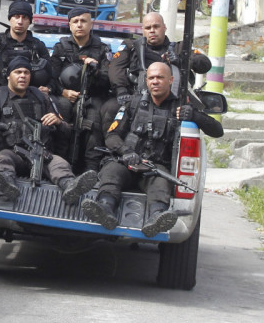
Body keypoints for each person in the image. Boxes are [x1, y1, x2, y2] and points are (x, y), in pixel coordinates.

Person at [81, 61, 223, 235]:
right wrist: (126, 152)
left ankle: (156, 219)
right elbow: (112, 135)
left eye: (160, 77)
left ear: (170, 80)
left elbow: (217, 131)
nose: (155, 81)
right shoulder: (133, 104)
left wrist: (195, 116)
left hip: (155, 169)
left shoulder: (180, 108)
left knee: (161, 186)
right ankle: (104, 209)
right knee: (111, 172)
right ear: (146, 81)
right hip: (126, 163)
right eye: (152, 78)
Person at [0, 57, 98, 206]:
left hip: (40, 154)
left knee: (59, 164)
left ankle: (71, 188)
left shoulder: (41, 97)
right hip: (12, 153)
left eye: (26, 72)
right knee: (3, 160)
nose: (23, 76)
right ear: (9, 76)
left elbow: (66, 131)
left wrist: (58, 122)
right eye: (18, 72)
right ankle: (7, 187)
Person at [103, 12, 211, 126]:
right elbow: (115, 68)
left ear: (164, 27)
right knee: (109, 109)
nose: (152, 31)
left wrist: (181, 61)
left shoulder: (179, 48)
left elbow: (205, 64)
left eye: (156, 26)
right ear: (143, 30)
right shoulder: (131, 47)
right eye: (148, 28)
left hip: (171, 102)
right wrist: (121, 90)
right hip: (135, 98)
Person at [50, 7, 112, 169]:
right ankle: (59, 165)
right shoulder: (61, 47)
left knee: (94, 124)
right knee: (59, 119)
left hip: (93, 97)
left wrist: (95, 70)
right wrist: (63, 92)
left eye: (83, 21)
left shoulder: (102, 49)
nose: (79, 25)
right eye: (75, 22)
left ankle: (90, 169)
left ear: (91, 24)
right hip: (65, 96)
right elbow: (51, 77)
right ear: (69, 25)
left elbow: (108, 79)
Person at [0, 0, 53, 90]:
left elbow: (52, 74)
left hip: (29, 96)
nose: (20, 21)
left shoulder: (37, 45)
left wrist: (48, 88)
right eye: (16, 17)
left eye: (24, 17)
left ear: (30, 21)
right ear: (10, 19)